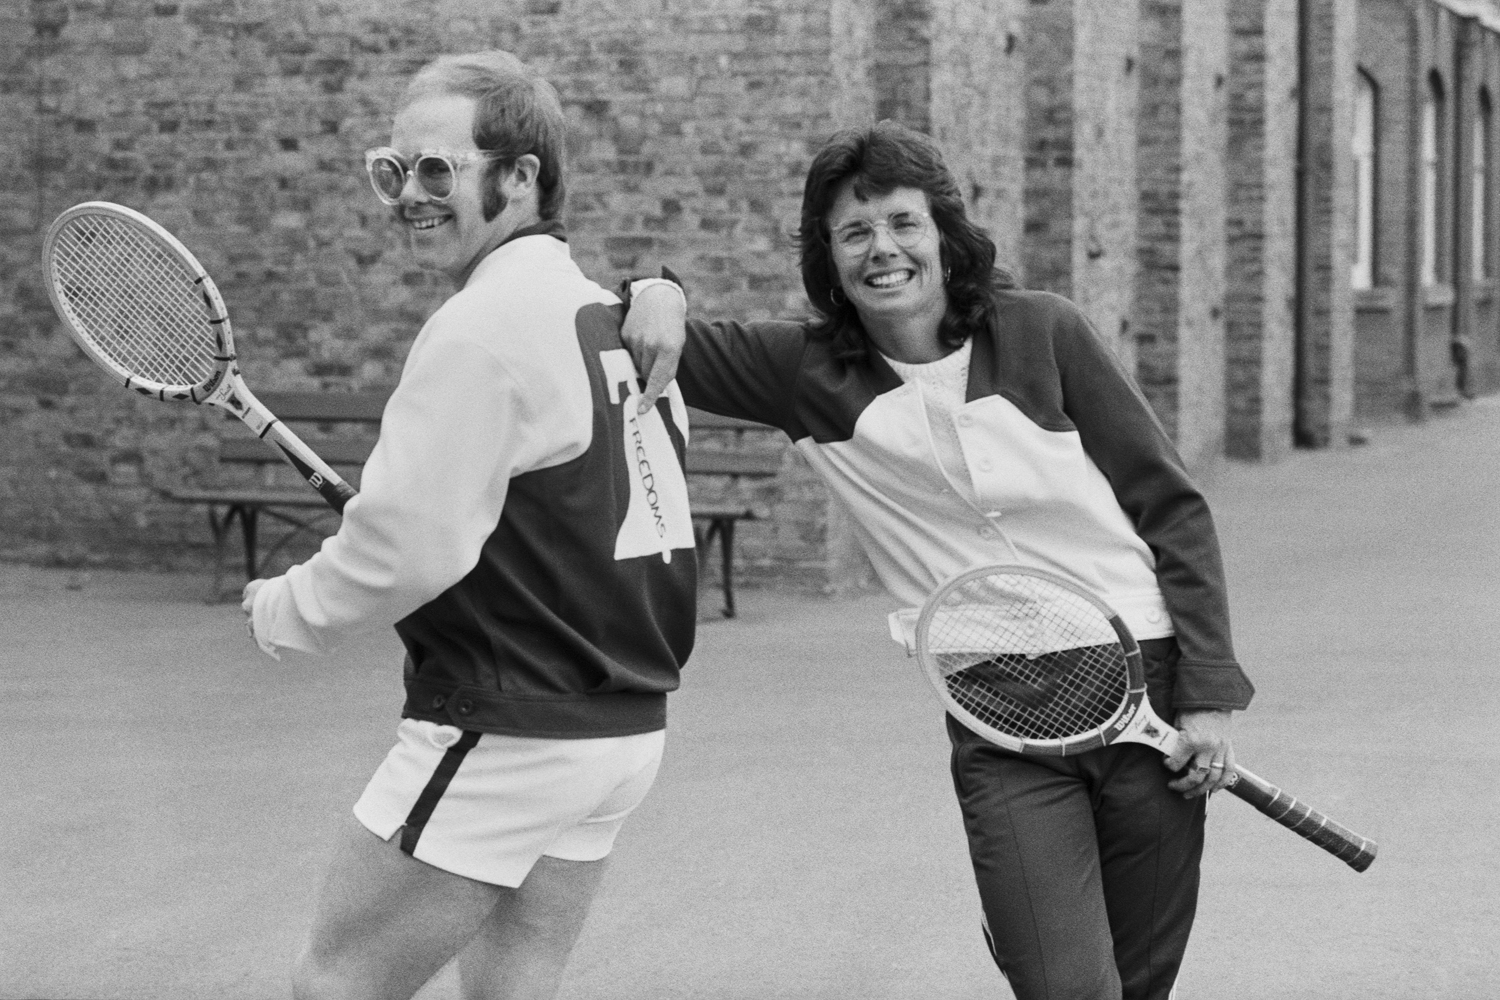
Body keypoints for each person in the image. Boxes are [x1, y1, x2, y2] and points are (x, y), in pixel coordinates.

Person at [619, 120, 1256, 1000]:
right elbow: (620, 335)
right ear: (829, 256)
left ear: (943, 235)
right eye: (854, 231)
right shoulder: (801, 372)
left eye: (902, 223)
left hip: (1147, 683)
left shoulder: (1044, 331)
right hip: (995, 715)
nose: (883, 249)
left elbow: (1171, 507)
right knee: (1067, 985)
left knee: (1141, 981)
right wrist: (653, 290)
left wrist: (1212, 696)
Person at [241, 50, 698, 1000]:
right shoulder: (614, 318)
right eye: (392, 169)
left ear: (520, 176)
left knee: (336, 982)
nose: (409, 193)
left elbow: (410, 543)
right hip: (618, 734)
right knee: (512, 987)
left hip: (510, 726)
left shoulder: (484, 325)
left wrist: (290, 607)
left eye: (438, 169)